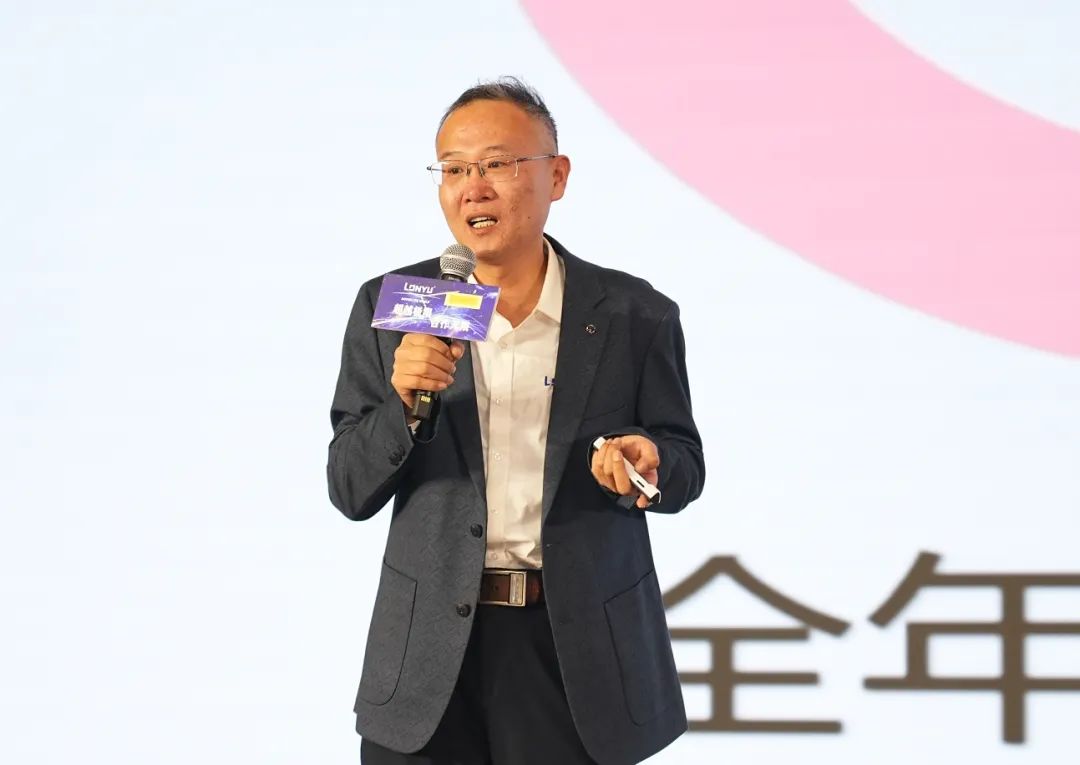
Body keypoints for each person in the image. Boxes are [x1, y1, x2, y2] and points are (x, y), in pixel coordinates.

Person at [327, 77, 705, 765]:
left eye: (497, 164)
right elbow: (349, 487)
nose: (473, 188)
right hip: (426, 657)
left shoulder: (634, 314)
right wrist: (402, 408)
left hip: (575, 651)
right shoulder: (395, 307)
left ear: (556, 176)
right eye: (453, 169)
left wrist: (647, 459)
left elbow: (683, 464)